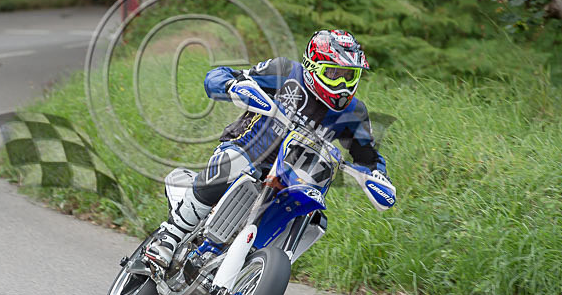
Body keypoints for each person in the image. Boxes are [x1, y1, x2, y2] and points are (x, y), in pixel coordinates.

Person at [145, 30, 393, 268]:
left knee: (315, 218)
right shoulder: (286, 72)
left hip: (296, 176)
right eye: (335, 73)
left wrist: (376, 175)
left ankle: (258, 269)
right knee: (232, 164)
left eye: (349, 76)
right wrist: (234, 85)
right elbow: (222, 75)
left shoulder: (354, 112)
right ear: (313, 67)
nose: (342, 84)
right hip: (249, 150)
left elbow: (368, 157)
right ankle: (170, 235)